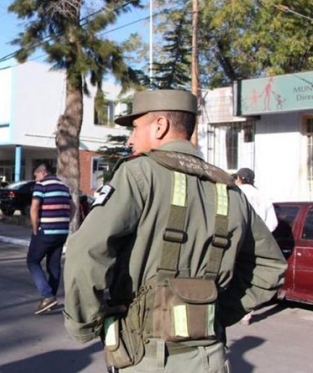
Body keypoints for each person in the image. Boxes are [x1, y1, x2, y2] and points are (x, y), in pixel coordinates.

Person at [63, 90, 287, 373]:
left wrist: (84, 324)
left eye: (135, 128)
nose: (131, 139)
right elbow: (270, 265)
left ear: (160, 125)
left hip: (145, 355)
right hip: (211, 357)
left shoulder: (138, 173)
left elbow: (85, 251)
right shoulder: (229, 190)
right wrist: (216, 311)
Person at [232, 167, 278, 325]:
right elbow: (273, 222)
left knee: (234, 274)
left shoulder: (235, 192)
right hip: (258, 242)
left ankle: (236, 309)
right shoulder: (263, 196)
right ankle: (248, 311)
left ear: (238, 178)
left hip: (237, 239)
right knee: (250, 273)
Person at [27, 162, 74, 315]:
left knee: (33, 261)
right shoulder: (63, 186)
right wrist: (65, 221)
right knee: (54, 266)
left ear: (43, 172)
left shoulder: (42, 185)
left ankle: (47, 296)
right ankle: (50, 299)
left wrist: (35, 228)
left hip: (46, 230)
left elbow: (34, 208)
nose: (35, 179)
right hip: (62, 231)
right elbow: (72, 207)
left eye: (36, 175)